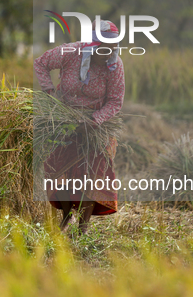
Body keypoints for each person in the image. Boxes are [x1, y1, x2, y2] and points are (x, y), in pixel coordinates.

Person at [34, 18, 125, 234]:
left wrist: (95, 120)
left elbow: (115, 100)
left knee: (90, 174)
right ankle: (65, 217)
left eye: (112, 48)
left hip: (94, 125)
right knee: (60, 171)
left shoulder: (114, 65)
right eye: (104, 49)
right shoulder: (70, 53)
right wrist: (50, 94)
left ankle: (83, 226)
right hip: (63, 121)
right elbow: (41, 63)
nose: (108, 53)